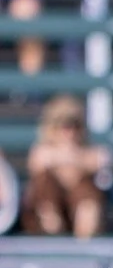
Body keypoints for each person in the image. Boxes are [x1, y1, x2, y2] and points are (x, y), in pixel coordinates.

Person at [22, 92, 102, 237]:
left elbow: (97, 162)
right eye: (64, 126)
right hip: (46, 214)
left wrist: (66, 160)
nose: (69, 132)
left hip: (76, 210)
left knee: (87, 192)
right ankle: (53, 231)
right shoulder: (41, 150)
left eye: (75, 126)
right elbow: (38, 162)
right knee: (45, 187)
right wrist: (74, 160)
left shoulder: (89, 150)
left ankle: (84, 237)